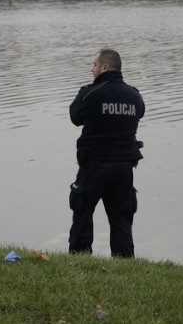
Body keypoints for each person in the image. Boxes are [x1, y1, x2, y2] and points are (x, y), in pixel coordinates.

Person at [68, 49, 145, 258]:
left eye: (94, 65)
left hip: (94, 166)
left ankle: (80, 259)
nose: (91, 69)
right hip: (123, 168)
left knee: (83, 213)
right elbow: (140, 113)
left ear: (105, 67)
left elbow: (75, 117)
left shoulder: (90, 93)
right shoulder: (134, 96)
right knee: (121, 218)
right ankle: (124, 262)